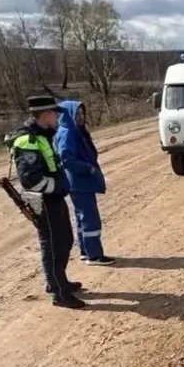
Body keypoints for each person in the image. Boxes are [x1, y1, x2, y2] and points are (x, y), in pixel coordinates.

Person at [8, 94, 86, 309]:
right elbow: (30, 180)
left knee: (66, 241)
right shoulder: (29, 141)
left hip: (54, 199)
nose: (58, 118)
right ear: (45, 115)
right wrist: (58, 187)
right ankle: (59, 293)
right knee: (52, 246)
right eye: (55, 114)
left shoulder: (43, 135)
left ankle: (58, 282)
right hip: (44, 201)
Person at [54, 100, 115, 266]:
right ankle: (94, 255)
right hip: (79, 182)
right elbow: (66, 159)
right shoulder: (68, 133)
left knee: (83, 218)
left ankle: (85, 251)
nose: (81, 117)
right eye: (77, 114)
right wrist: (88, 169)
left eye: (82, 113)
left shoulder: (73, 131)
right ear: (68, 115)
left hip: (79, 182)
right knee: (90, 218)